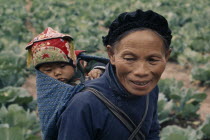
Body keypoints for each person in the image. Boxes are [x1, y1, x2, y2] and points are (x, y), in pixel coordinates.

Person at [57, 9, 172, 140]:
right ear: (111, 55)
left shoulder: (150, 91)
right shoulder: (84, 105)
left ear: (166, 57)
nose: (141, 71)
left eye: (152, 60)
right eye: (129, 59)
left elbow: (151, 132)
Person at [25, 27, 107, 140]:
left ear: (73, 63)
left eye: (63, 66)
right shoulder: (47, 88)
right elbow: (49, 114)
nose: (57, 72)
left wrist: (97, 70)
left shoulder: (81, 65)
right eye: (48, 70)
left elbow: (98, 63)